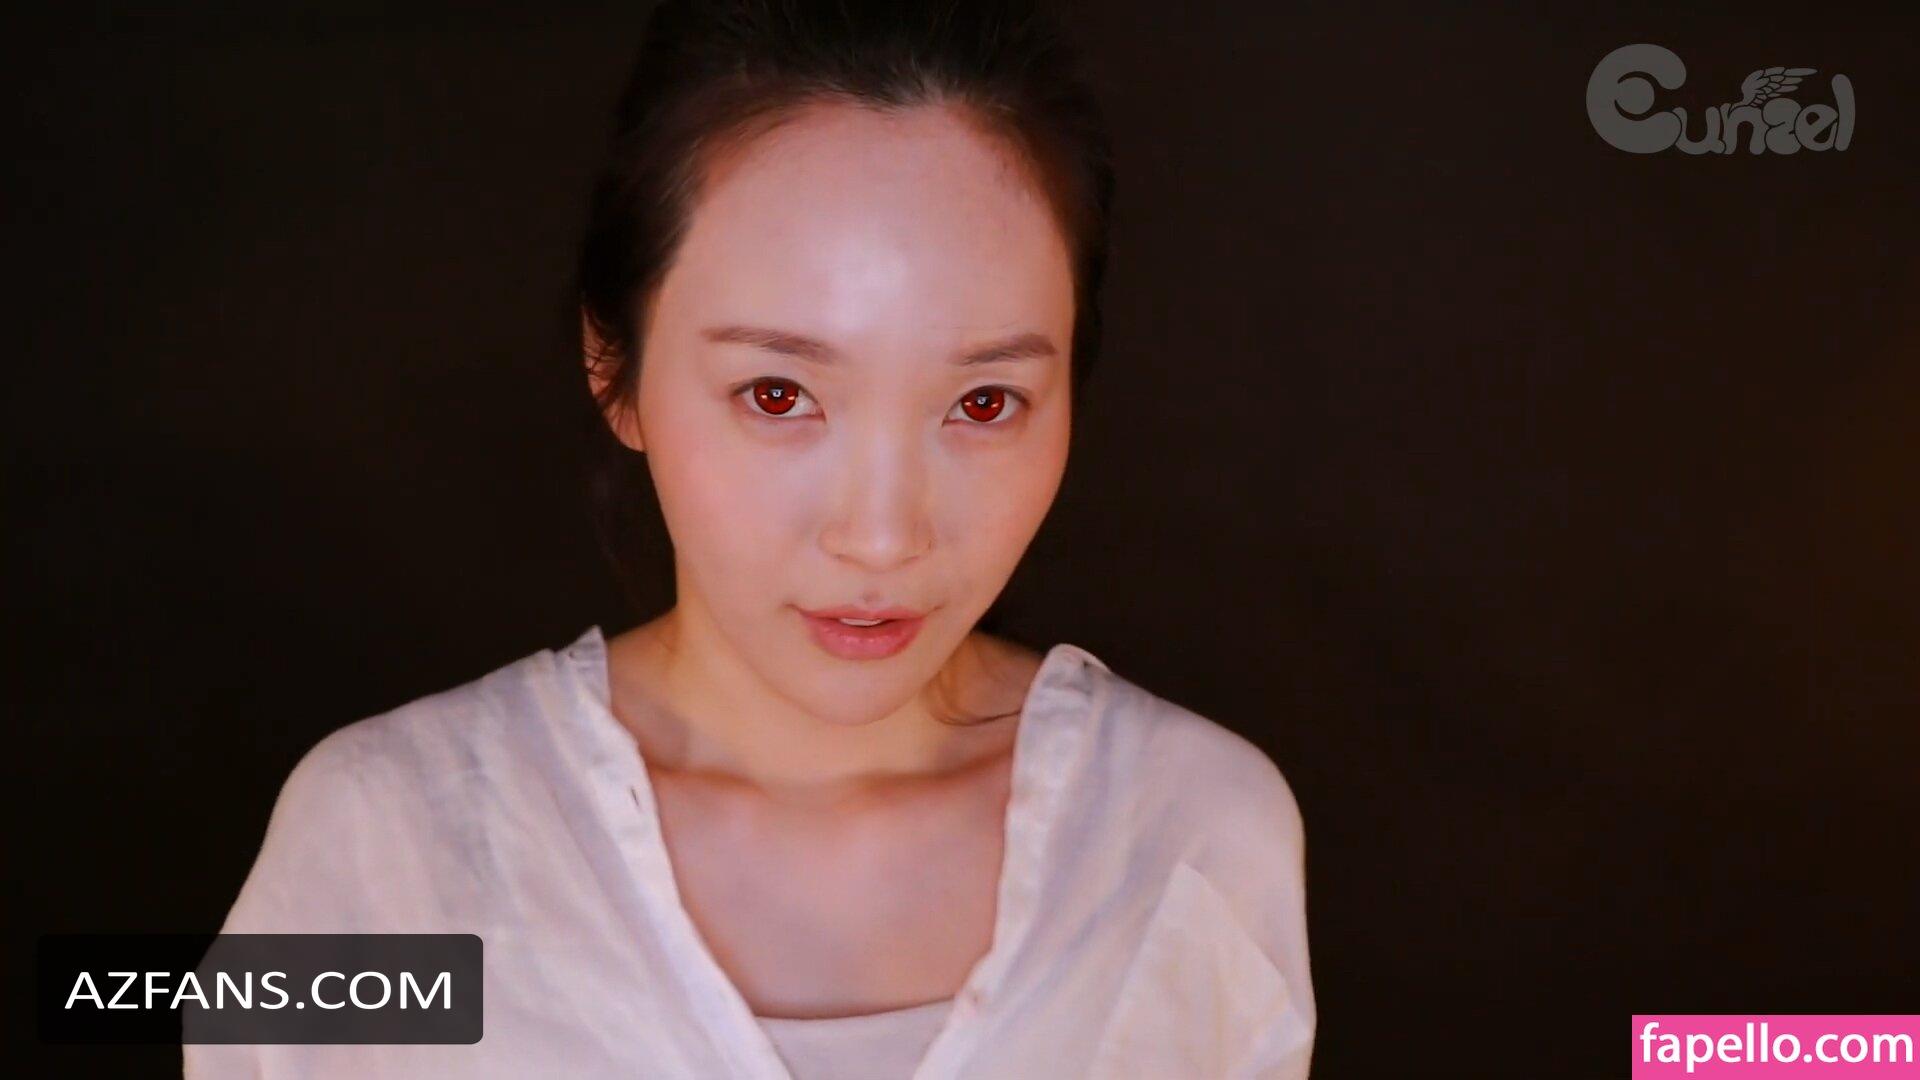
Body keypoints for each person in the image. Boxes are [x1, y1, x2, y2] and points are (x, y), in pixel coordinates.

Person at [187, 1, 1315, 1076]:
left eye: (983, 404)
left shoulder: (1192, 838)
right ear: (614, 368)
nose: (882, 538)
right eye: (778, 395)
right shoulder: (386, 842)